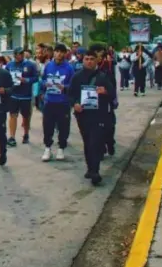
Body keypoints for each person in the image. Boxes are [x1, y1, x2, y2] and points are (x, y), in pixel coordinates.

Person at [68, 51, 116, 186]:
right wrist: (75, 104)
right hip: (83, 115)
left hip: (99, 115)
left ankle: (95, 171)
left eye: (92, 59)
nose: (89, 61)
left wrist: (105, 92)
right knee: (87, 141)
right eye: (86, 59)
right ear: (83, 60)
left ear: (96, 61)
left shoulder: (103, 76)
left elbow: (112, 94)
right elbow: (70, 94)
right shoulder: (77, 77)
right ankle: (90, 168)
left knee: (96, 142)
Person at [40, 43, 75, 161]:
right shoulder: (48, 66)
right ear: (53, 53)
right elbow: (43, 80)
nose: (58, 54)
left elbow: (73, 85)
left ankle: (61, 148)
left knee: (63, 126)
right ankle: (47, 148)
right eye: (57, 51)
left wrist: (64, 87)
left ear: (65, 54)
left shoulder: (69, 68)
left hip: (63, 102)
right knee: (47, 126)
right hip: (49, 101)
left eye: (61, 52)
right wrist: (44, 84)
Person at [5, 47, 38, 145]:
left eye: (21, 54)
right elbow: (5, 76)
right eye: (17, 54)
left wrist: (26, 80)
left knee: (26, 117)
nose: (19, 55)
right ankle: (12, 137)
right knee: (12, 115)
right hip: (14, 94)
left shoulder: (30, 65)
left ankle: (26, 134)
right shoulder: (10, 65)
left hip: (25, 95)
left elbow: (36, 77)